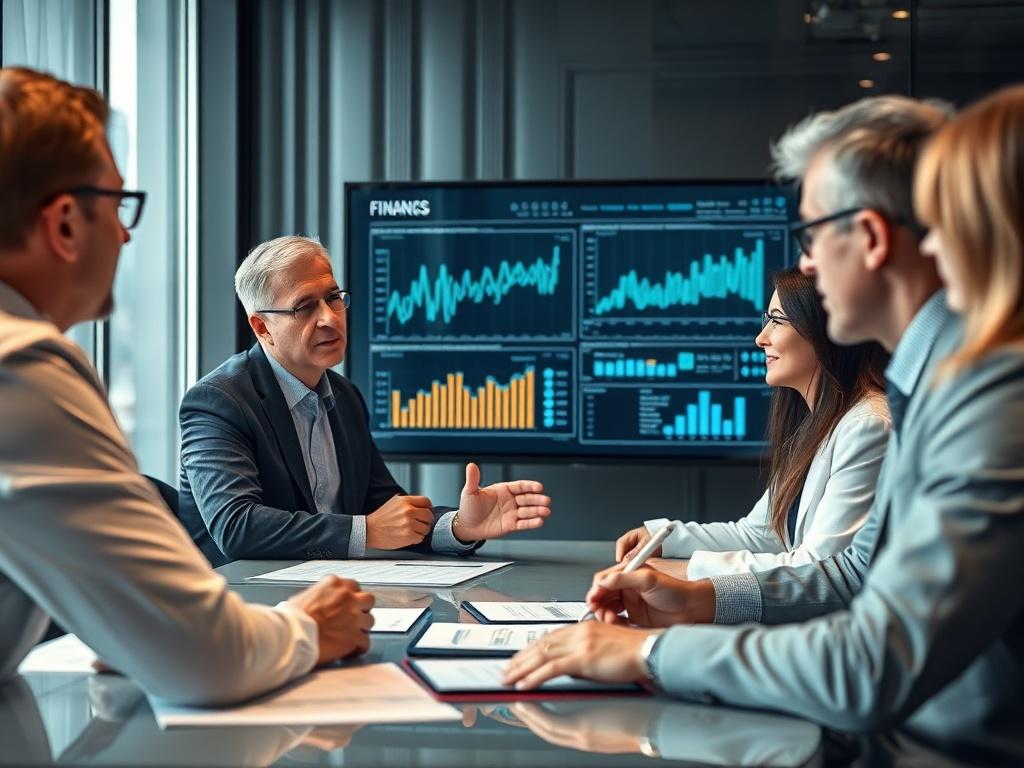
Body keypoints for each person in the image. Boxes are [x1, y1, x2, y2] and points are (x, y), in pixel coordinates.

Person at [506, 91, 1024, 755]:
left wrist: (655, 652)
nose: (805, 263)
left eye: (812, 233)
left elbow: (871, 665)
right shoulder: (930, 385)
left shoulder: (988, 398)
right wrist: (694, 603)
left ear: (868, 236)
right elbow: (851, 577)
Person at [0, 66, 374, 706]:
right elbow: (208, 660)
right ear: (64, 224)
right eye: (117, 205)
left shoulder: (342, 396)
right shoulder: (23, 370)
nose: (123, 233)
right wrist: (310, 626)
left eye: (333, 299)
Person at [178, 235, 552, 565]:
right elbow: (236, 526)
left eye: (333, 298)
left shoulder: (345, 396)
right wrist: (366, 531)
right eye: (305, 306)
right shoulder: (218, 402)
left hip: (329, 590)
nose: (330, 318)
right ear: (262, 327)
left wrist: (457, 526)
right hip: (243, 609)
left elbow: (385, 507)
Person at [616, 267, 890, 578]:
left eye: (777, 320)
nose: (761, 338)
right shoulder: (820, 422)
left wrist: (684, 572)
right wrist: (664, 538)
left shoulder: (868, 427)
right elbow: (762, 535)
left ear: (826, 330)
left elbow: (821, 567)